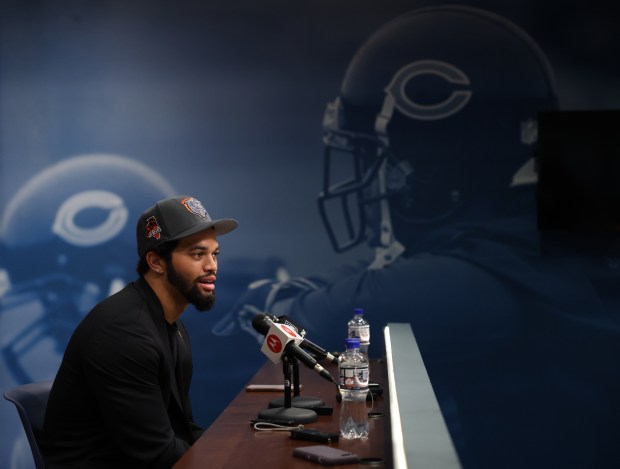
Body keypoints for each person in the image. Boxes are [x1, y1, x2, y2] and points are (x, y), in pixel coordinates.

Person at [214, 6, 620, 469]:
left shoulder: (473, 284)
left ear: (446, 163)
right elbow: (376, 278)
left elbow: (315, 316)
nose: (381, 181)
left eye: (390, 163)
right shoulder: (543, 240)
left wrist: (263, 295)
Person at [40, 195, 237, 469]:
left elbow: (181, 429)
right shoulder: (124, 334)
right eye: (197, 254)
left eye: (214, 254)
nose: (212, 266)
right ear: (156, 262)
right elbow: (159, 456)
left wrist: (237, 453)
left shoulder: (171, 324)